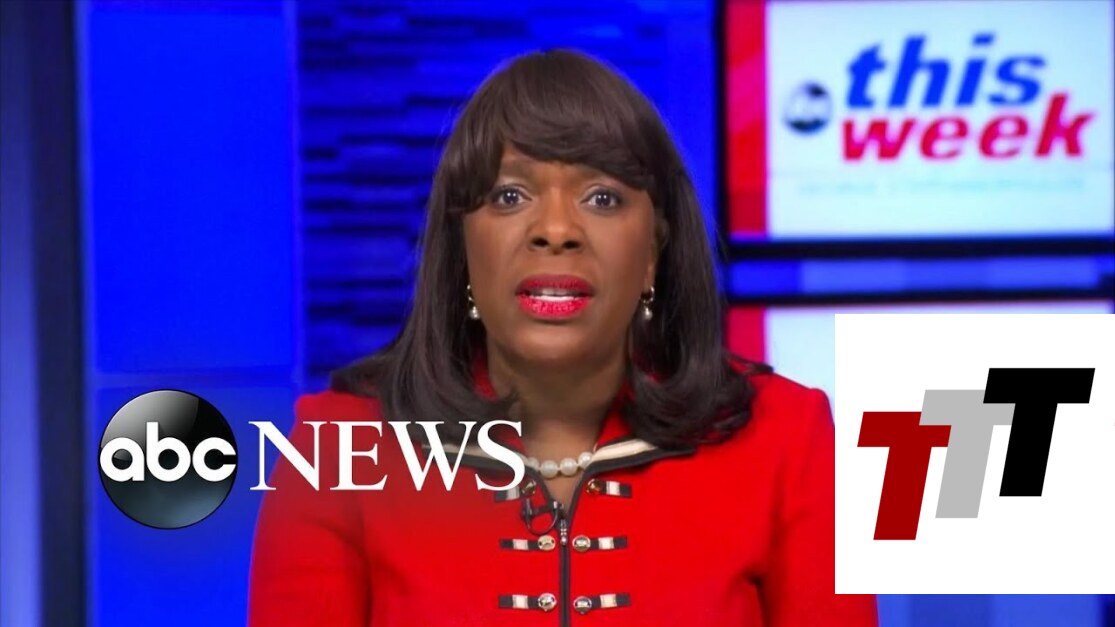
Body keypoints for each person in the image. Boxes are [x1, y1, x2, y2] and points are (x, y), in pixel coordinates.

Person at [249, 49, 877, 626]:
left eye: (602, 198)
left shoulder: (786, 436)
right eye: (509, 195)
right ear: (463, 249)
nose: (556, 229)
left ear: (652, 254)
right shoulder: (340, 451)